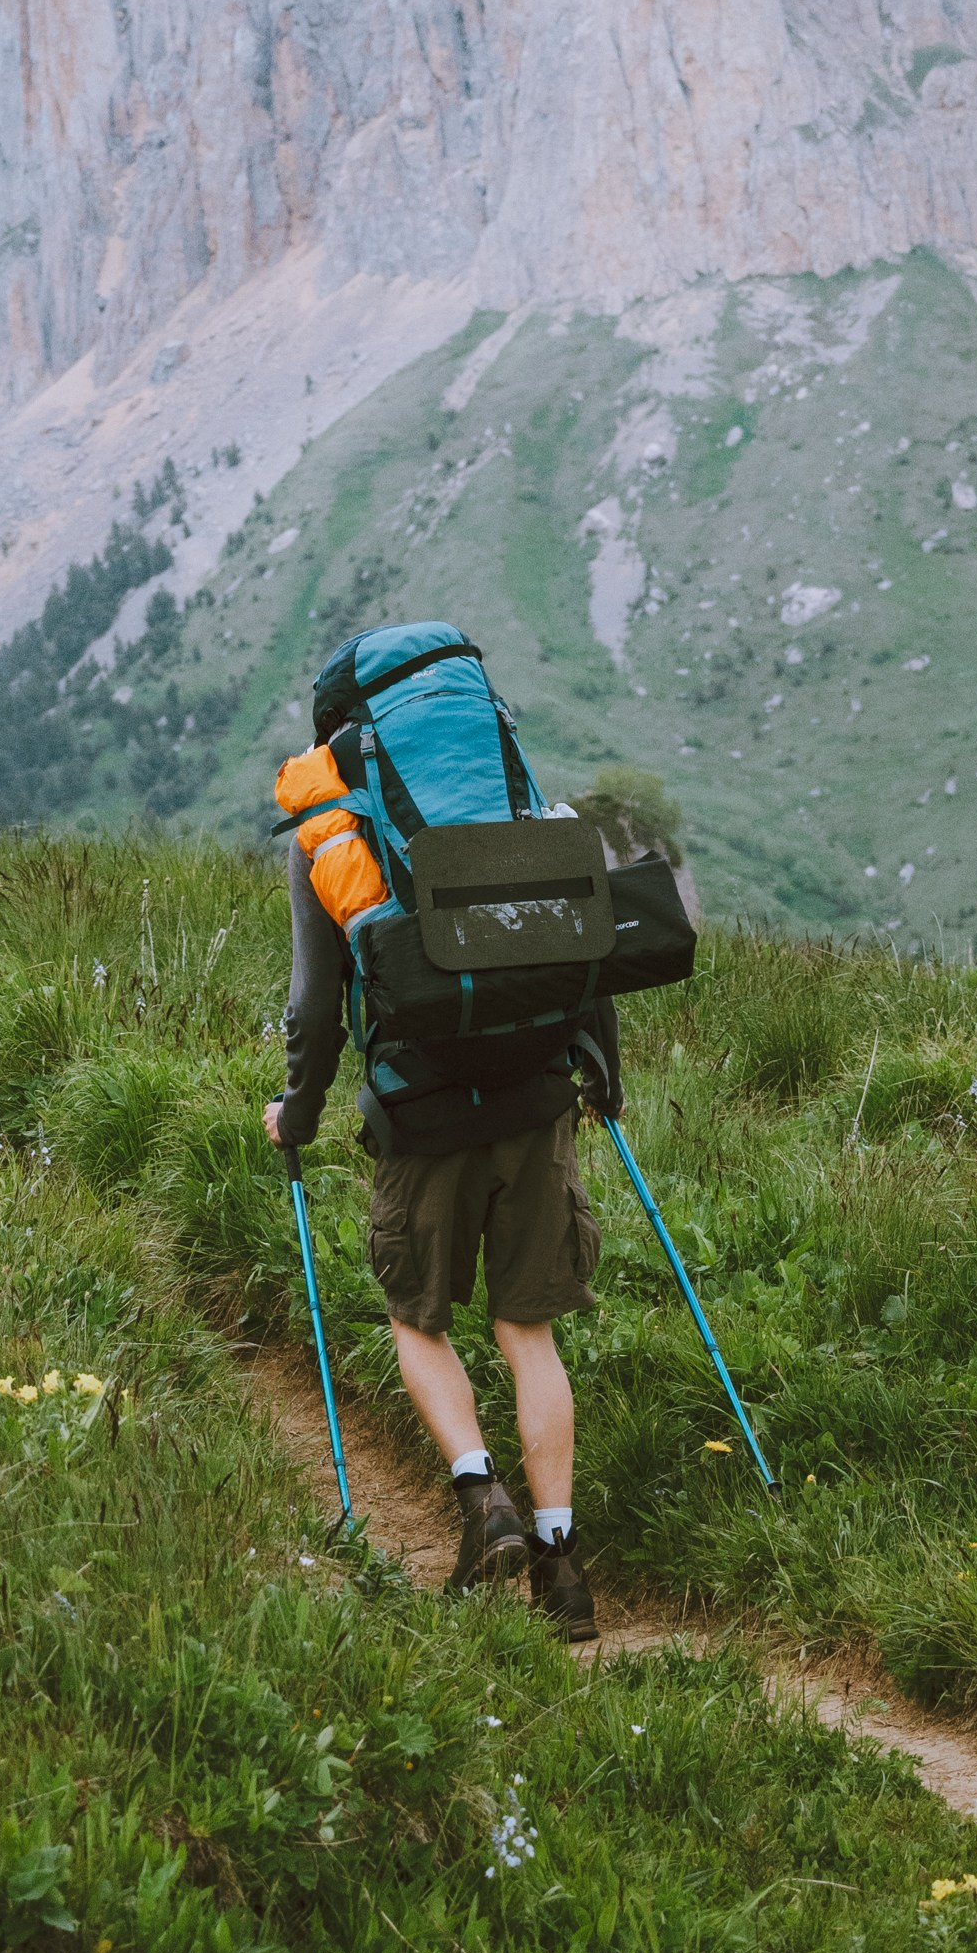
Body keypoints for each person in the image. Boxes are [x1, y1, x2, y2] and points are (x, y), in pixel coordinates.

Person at [260, 666, 616, 1646]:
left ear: (344, 740)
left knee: (418, 1318)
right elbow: (585, 955)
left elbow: (312, 1007)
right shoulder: (533, 809)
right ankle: (562, 1568)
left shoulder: (330, 839)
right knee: (527, 1328)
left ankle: (480, 1501)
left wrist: (296, 1111)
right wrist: (600, 1076)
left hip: (420, 1112)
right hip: (537, 1095)